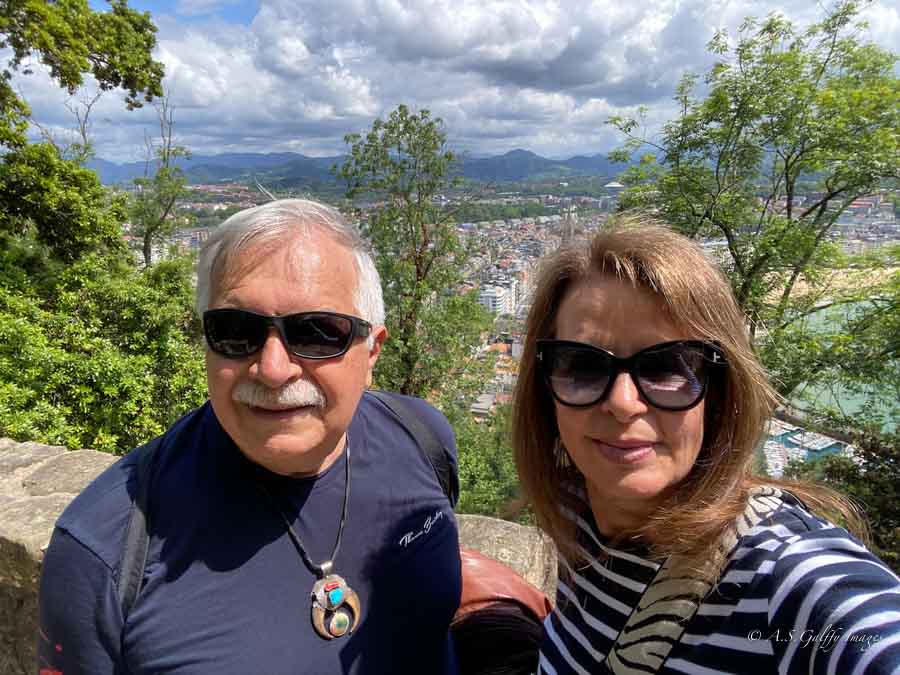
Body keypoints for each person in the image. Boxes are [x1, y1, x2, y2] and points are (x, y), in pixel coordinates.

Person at [37, 199, 462, 674]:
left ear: (372, 352)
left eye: (317, 332)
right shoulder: (105, 549)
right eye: (237, 331)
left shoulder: (422, 442)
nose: (273, 369)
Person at [511, 219, 900, 674]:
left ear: (720, 393)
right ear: (545, 390)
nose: (622, 402)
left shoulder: (784, 579)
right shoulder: (579, 520)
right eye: (582, 365)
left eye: (668, 366)